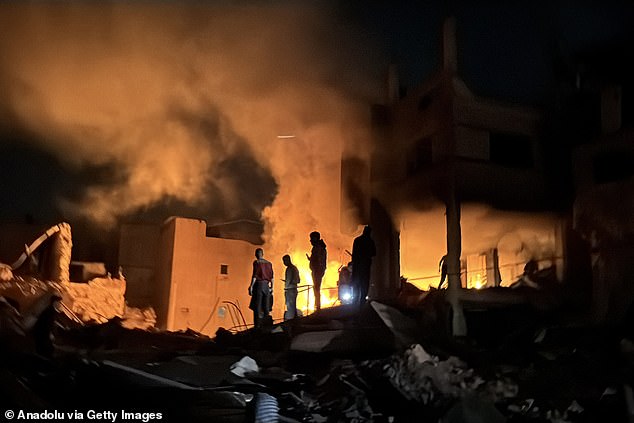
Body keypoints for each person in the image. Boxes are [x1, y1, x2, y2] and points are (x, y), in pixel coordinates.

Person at [248, 248, 273, 329]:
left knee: (257, 306)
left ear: (256, 254)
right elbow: (272, 277)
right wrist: (272, 287)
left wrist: (251, 286)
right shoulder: (269, 263)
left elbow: (255, 275)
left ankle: (257, 325)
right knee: (266, 306)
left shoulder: (257, 262)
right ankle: (266, 324)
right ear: (263, 254)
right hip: (267, 286)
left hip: (259, 285)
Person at [351, 225, 376, 306]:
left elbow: (354, 255)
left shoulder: (357, 240)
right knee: (364, 285)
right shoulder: (370, 241)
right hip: (365, 267)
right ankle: (362, 302)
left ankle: (354, 302)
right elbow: (374, 253)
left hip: (357, 267)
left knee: (356, 284)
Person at [306, 231, 327, 311]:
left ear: (316, 238)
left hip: (317, 271)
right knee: (316, 288)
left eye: (311, 238)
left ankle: (317, 307)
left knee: (316, 288)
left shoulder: (318, 247)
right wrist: (311, 259)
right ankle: (317, 306)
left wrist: (317, 269)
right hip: (317, 270)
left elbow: (319, 259)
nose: (310, 240)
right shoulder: (319, 247)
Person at [282, 254, 300, 320]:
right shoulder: (295, 268)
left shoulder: (289, 269)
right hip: (294, 290)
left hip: (289, 290)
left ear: (287, 260)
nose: (283, 263)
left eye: (284, 261)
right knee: (293, 307)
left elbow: (288, 280)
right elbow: (298, 280)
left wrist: (286, 288)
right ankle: (295, 320)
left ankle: (291, 321)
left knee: (290, 308)